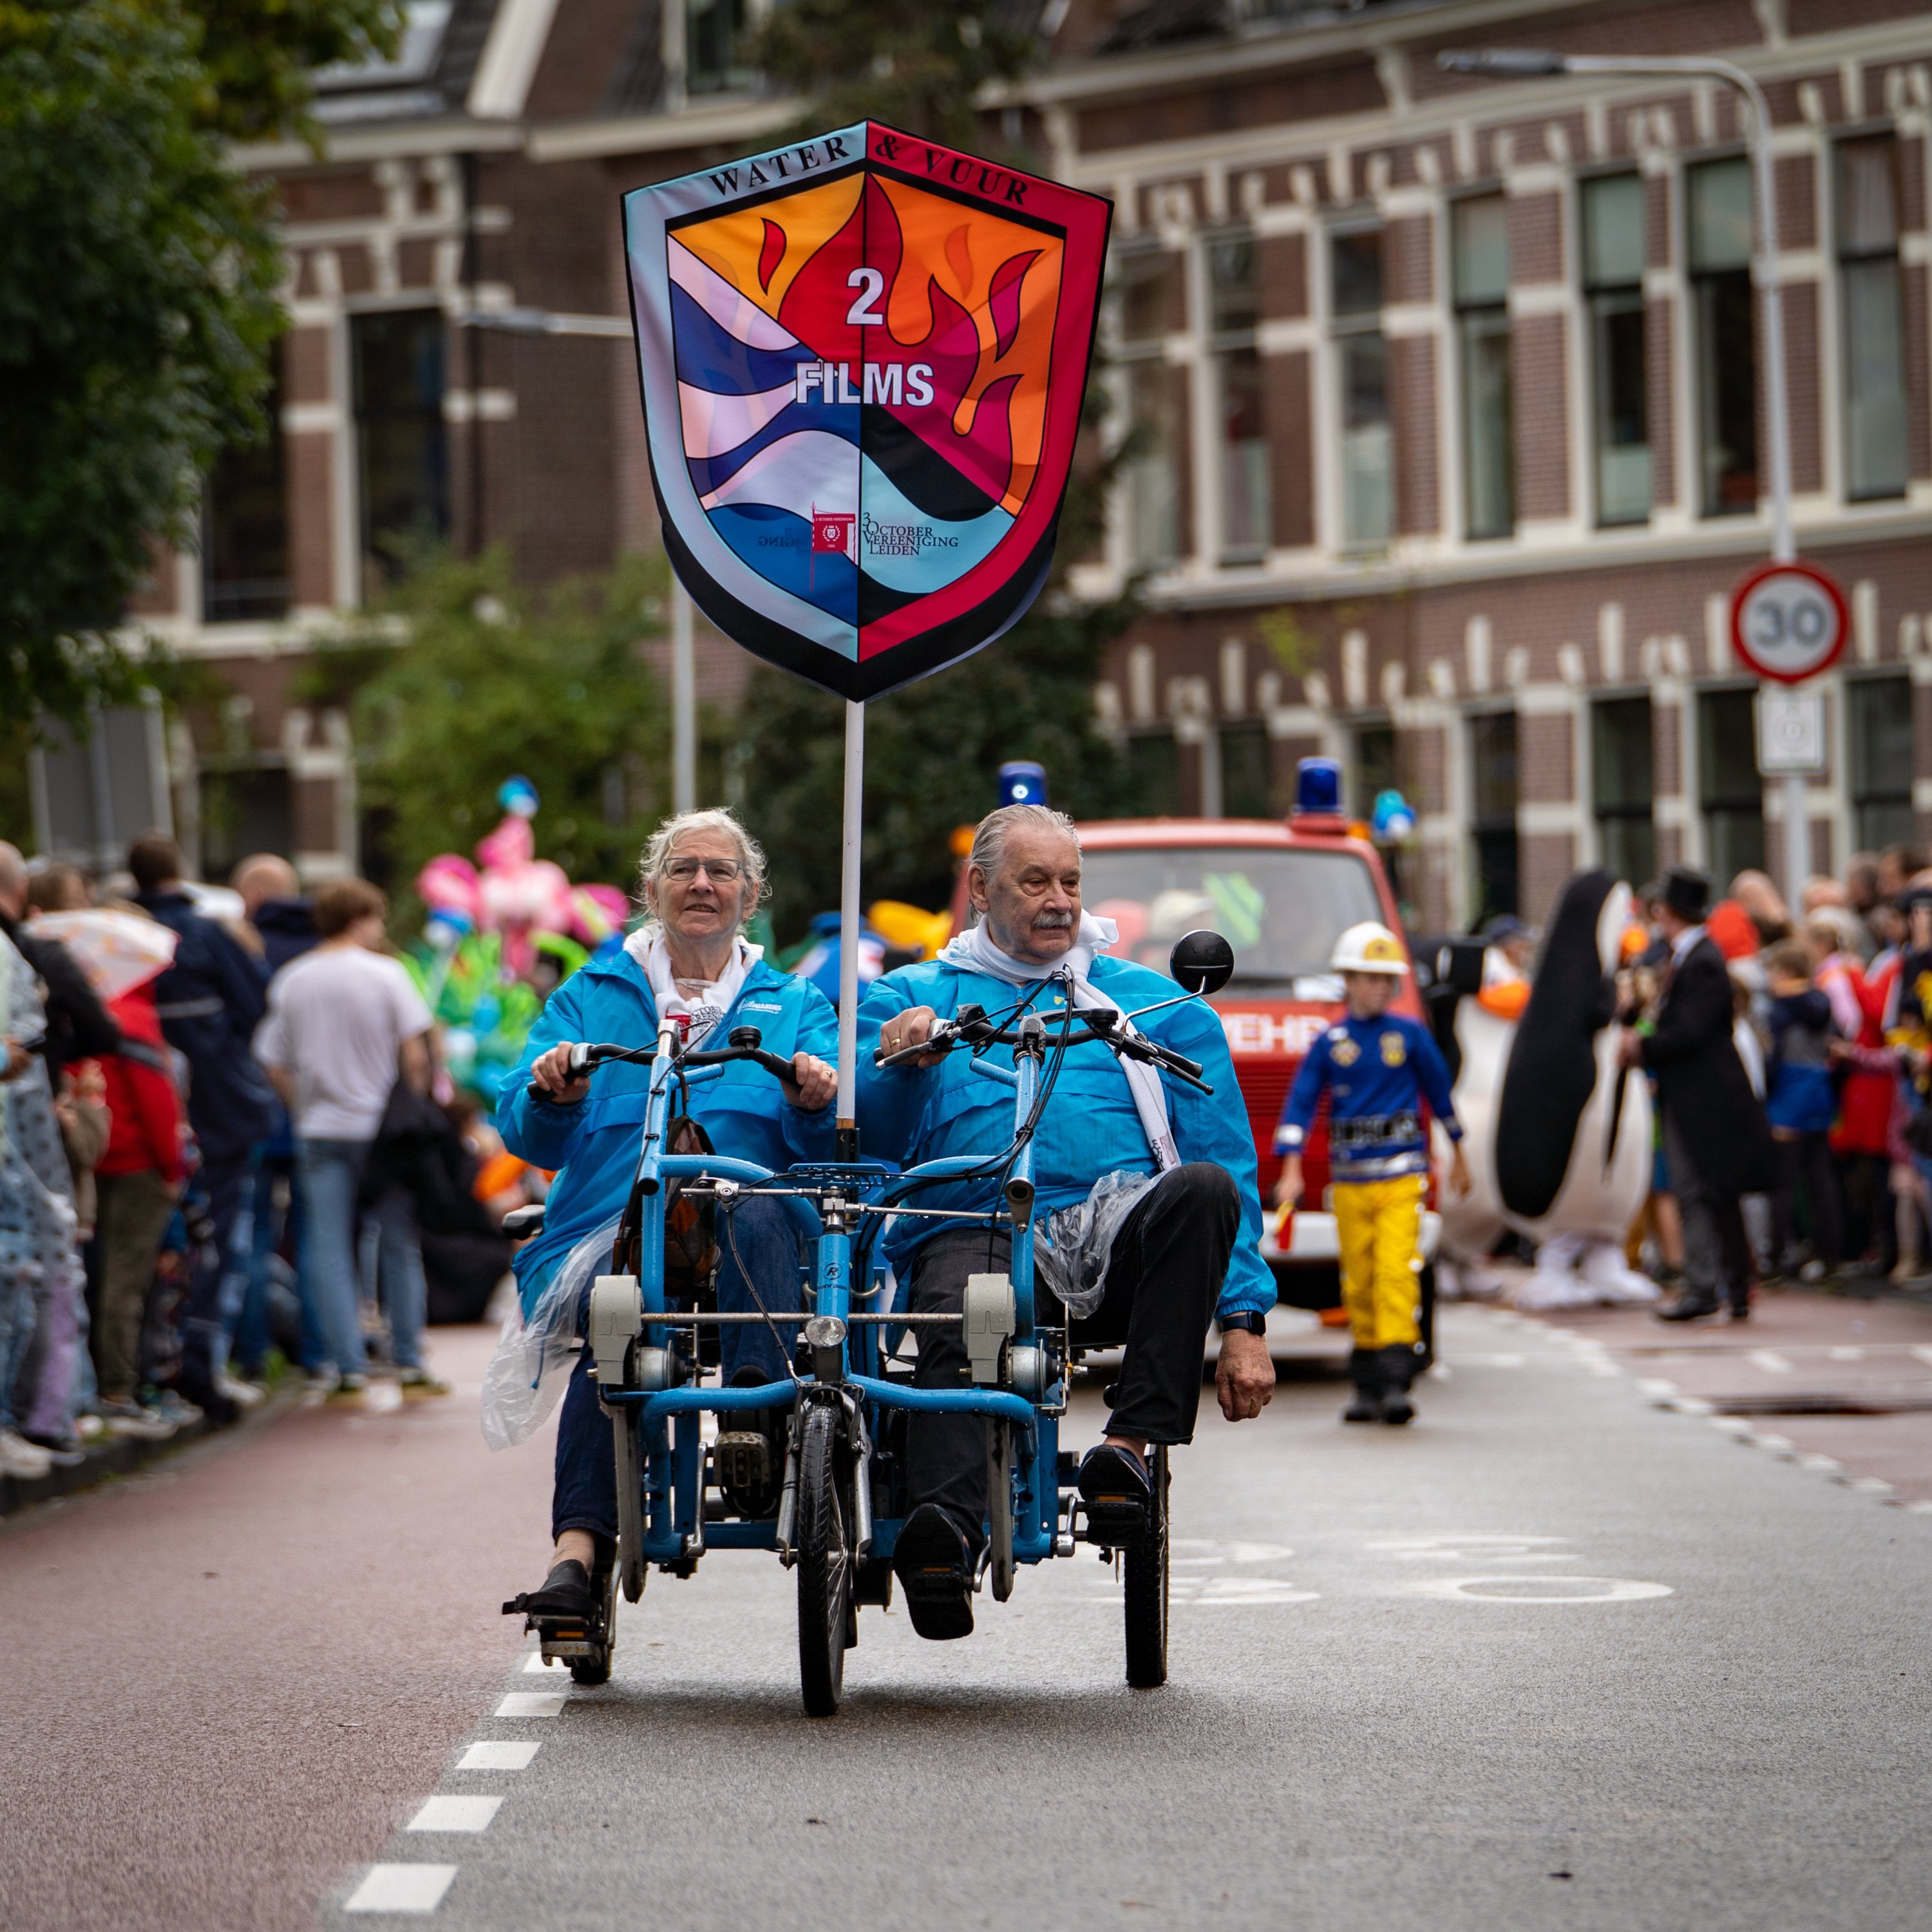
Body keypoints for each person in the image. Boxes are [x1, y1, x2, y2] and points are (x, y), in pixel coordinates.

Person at [855, 804, 1276, 1641]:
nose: (1059, 900)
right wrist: (899, 1064)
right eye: (1036, 881)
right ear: (981, 890)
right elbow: (863, 1142)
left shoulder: (1156, 1007)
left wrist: (1244, 1324)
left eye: (1071, 882)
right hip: (970, 1221)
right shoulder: (911, 997)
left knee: (1200, 1189)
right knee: (964, 1307)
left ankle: (1129, 1450)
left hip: (1115, 1234)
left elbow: (1226, 1161)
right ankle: (945, 1535)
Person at [498, 810, 838, 1629]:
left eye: (721, 872)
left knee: (760, 1206)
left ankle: (756, 1421)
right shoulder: (591, 995)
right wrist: (553, 1093)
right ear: (652, 891)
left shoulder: (795, 1001)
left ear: (750, 895)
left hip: (754, 1235)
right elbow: (523, 1128)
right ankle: (576, 1556)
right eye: (683, 869)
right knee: (616, 1325)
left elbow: (837, 1144)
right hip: (613, 1228)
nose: (702, 885)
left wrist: (816, 1100)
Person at [1274, 922, 1472, 1423]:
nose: (1381, 988)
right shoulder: (1331, 1042)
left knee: (1394, 1272)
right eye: (1370, 978)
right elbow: (1300, 1105)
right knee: (1358, 1280)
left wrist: (1460, 1151)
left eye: (1387, 979)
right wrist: (1293, 1169)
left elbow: (1440, 1093)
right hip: (1350, 1183)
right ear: (1348, 981)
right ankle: (1365, 1381)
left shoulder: (1409, 1035)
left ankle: (1396, 1376)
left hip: (1401, 1177)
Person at [252, 878, 440, 1399]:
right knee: (399, 1241)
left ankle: (346, 1366)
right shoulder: (387, 974)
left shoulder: (294, 979)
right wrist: (412, 1105)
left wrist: (301, 1106)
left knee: (328, 1245)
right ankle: (409, 1360)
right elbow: (416, 1055)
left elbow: (272, 1059)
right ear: (360, 919)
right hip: (383, 1131)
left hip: (321, 1128)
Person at [126, 833, 276, 1419]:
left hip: (143, 1114)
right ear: (180, 869)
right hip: (219, 1110)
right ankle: (199, 1362)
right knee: (220, 1237)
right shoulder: (206, 934)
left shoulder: (124, 938)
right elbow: (257, 1002)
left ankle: (147, 1368)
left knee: (150, 1241)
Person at [1619, 866, 1775, 1321]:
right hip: (1696, 1094)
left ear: (1666, 913)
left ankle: (1708, 1287)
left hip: (1705, 1098)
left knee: (1698, 1190)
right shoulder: (1691, 956)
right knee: (1711, 1191)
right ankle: (1728, 1286)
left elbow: (1692, 1031)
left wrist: (1641, 1048)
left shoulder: (1701, 960)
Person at [1761, 941, 1844, 1279]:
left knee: (1781, 1180)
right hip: (1819, 1090)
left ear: (1785, 973)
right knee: (1820, 1178)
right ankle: (1829, 1253)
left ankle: (1777, 1254)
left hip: (1789, 1092)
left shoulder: (1779, 1010)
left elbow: (1772, 1056)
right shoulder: (1822, 1003)